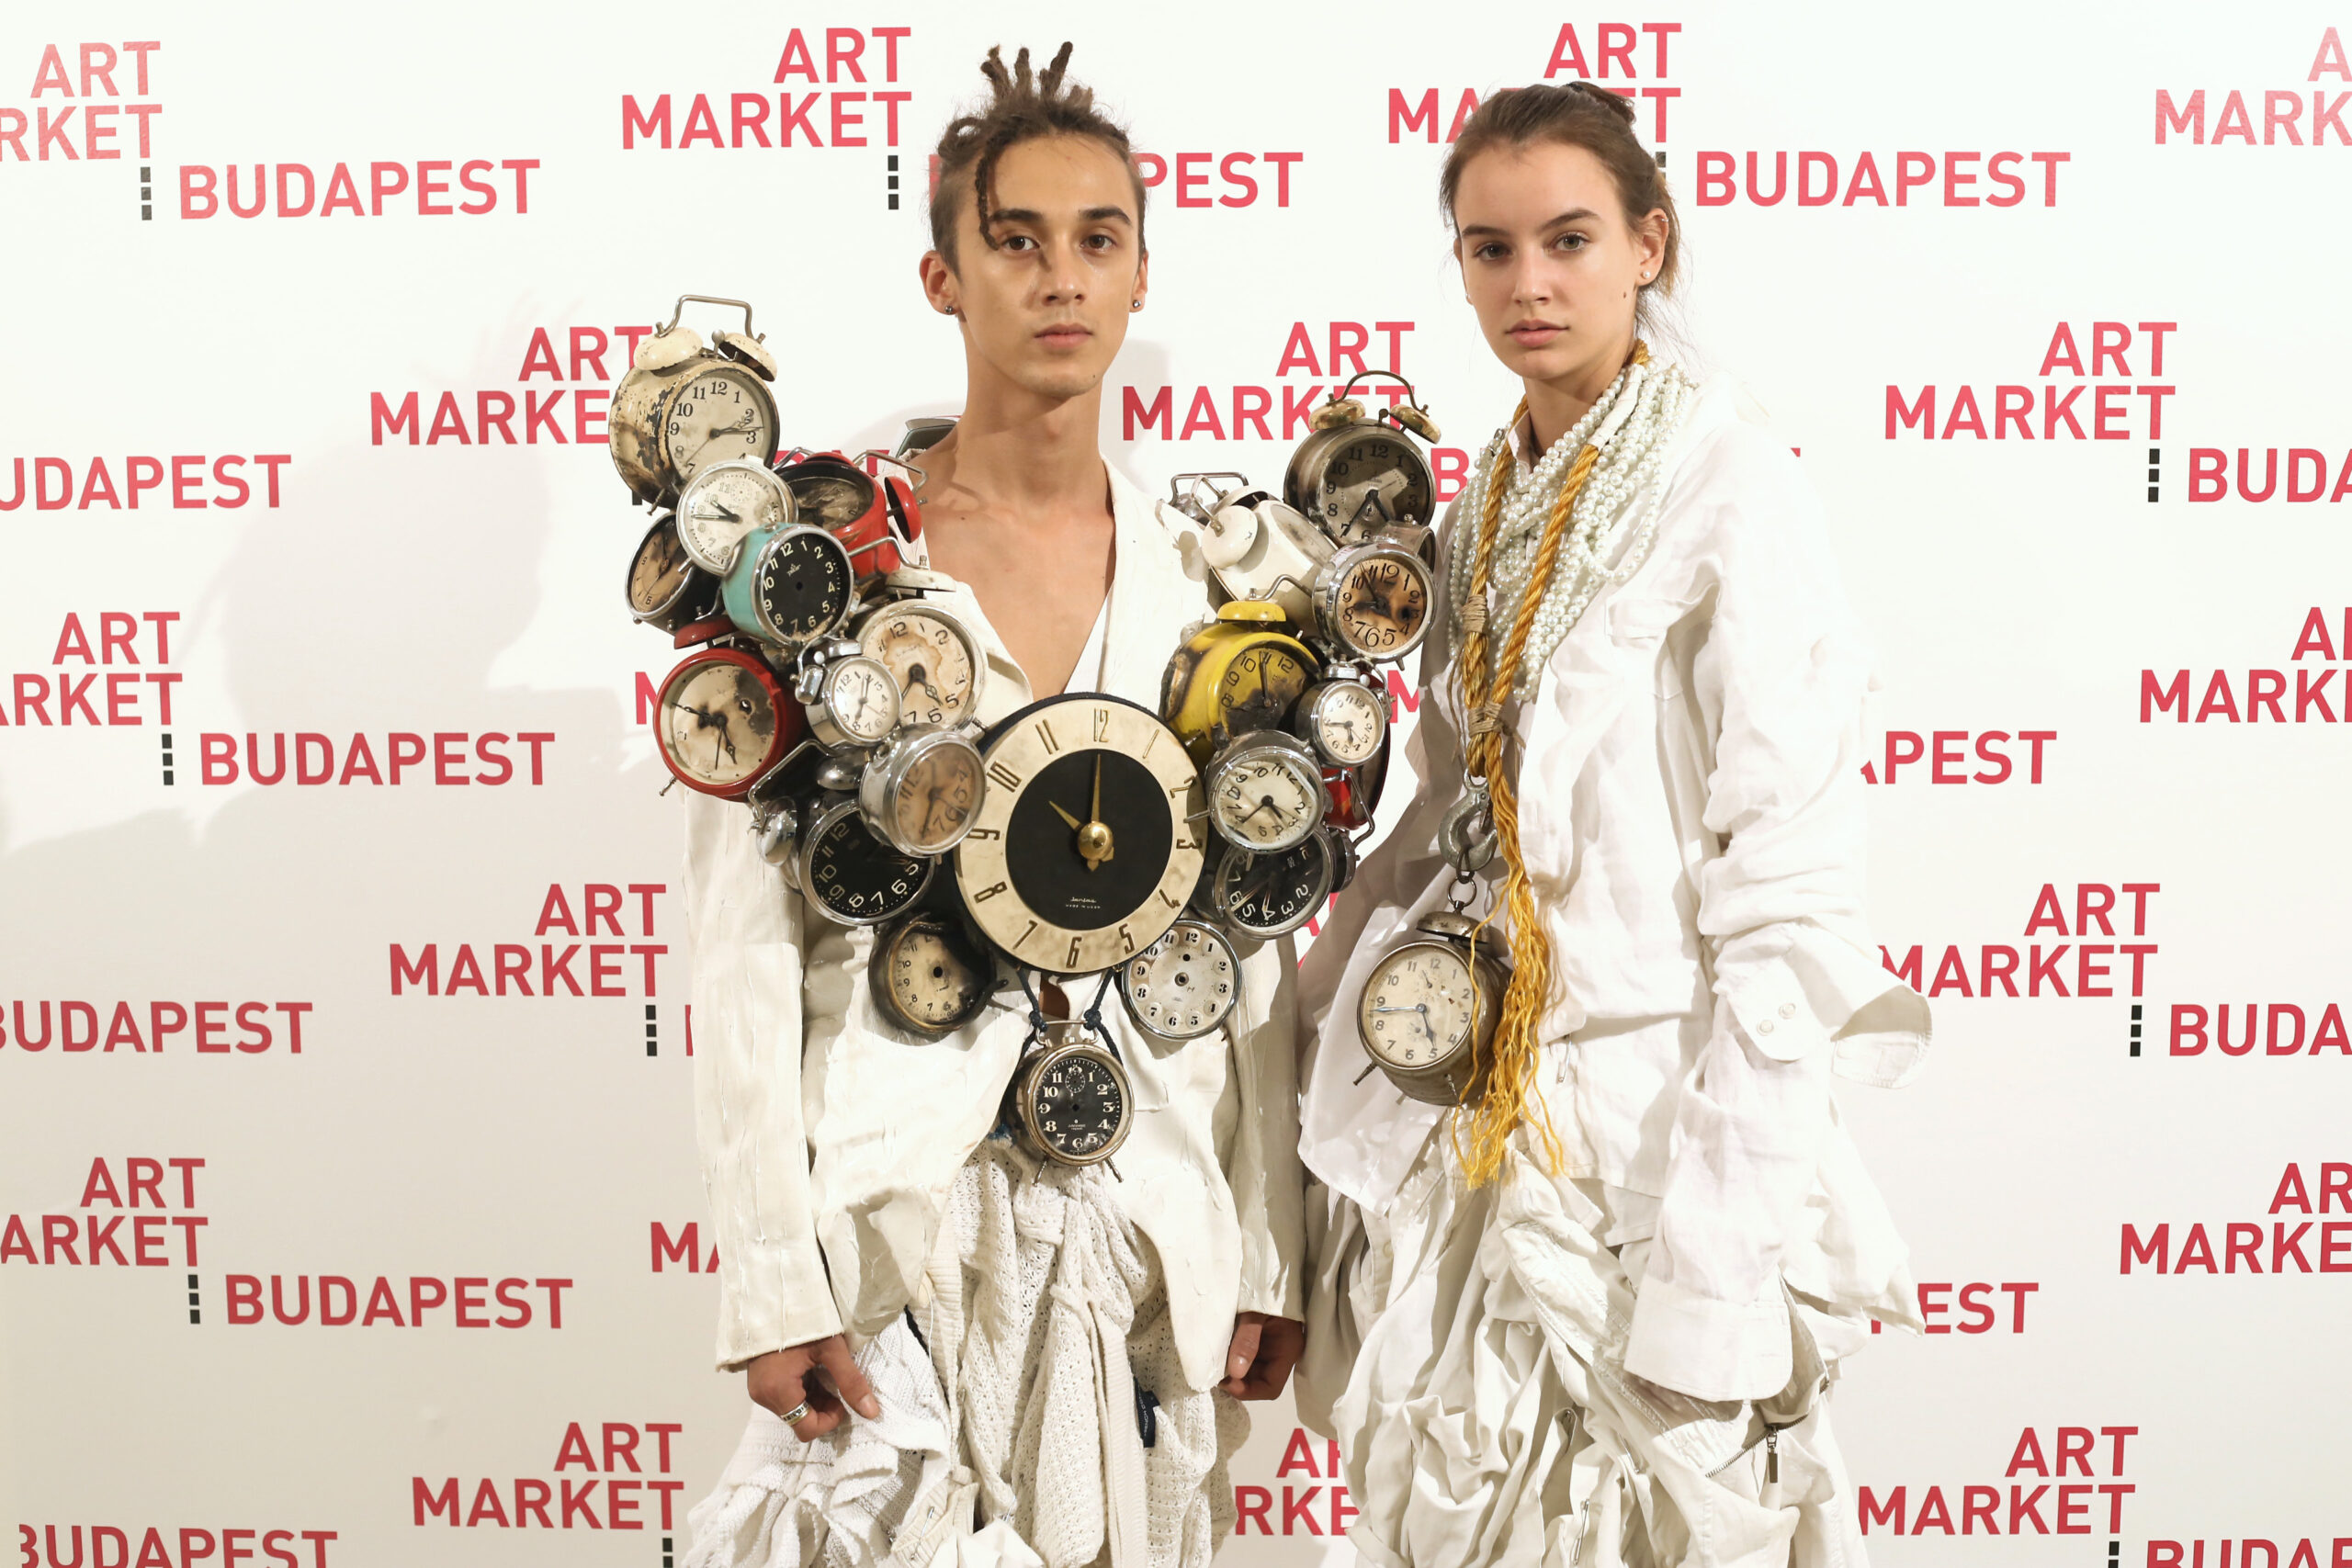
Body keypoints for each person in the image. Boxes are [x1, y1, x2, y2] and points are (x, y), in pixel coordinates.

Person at [680, 43, 1306, 1568]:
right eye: (1016, 240)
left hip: (1149, 1217)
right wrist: (772, 1281)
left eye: (1099, 239)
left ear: (1143, 274)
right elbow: (743, 949)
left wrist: (1270, 1249)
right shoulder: (827, 576)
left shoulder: (1220, 591)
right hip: (898, 1207)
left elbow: (1257, 942)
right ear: (943, 277)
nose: (1060, 278)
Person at [1293, 82, 1930, 1568]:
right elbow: (1455, 816)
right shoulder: (1478, 507)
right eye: (1490, 249)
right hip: (1473, 1134)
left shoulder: (1730, 480)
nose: (1530, 284)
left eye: (1569, 241)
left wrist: (1715, 1269)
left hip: (1656, 1146)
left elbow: (1788, 894)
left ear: (1651, 244)